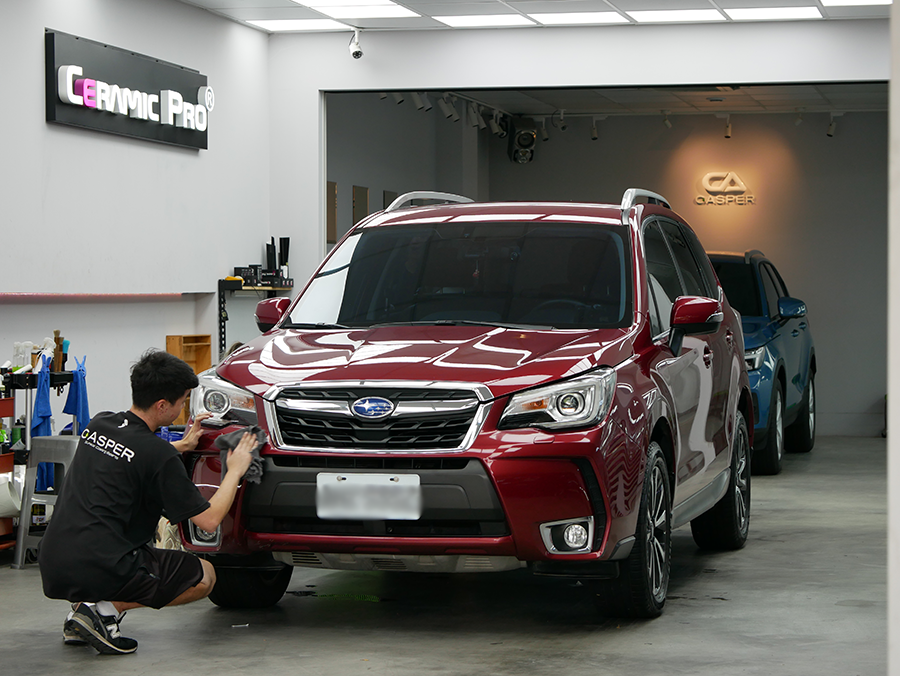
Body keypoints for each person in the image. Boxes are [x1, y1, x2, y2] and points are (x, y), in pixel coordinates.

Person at [37, 349, 256, 655]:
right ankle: (102, 611)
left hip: (54, 561)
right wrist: (235, 470)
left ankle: (83, 614)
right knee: (205, 576)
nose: (181, 410)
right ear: (162, 404)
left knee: (107, 541)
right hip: (100, 566)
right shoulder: (159, 455)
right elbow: (209, 520)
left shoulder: (99, 424)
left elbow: (131, 455)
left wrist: (179, 445)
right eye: (181, 403)